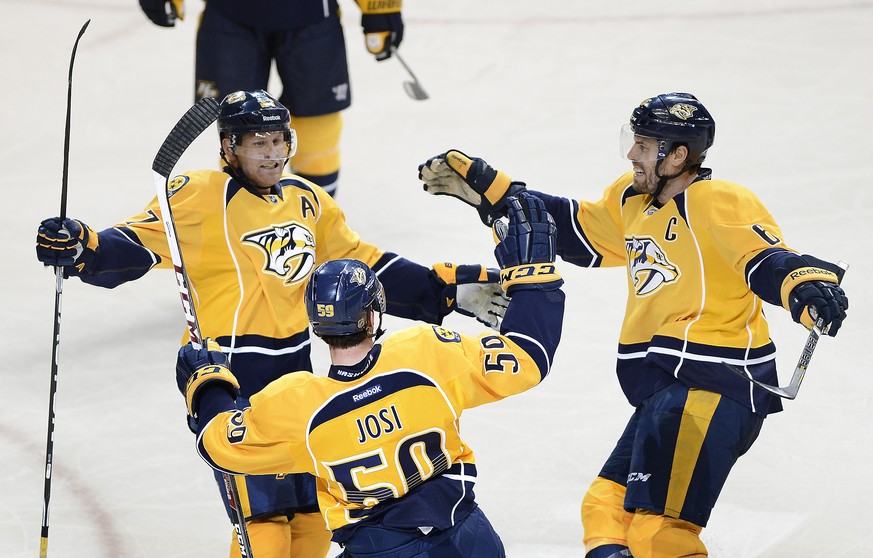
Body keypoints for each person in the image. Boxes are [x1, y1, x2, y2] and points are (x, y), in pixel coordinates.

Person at [35, 89, 507, 558]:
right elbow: (133, 245)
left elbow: (362, 263)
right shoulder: (198, 194)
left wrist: (441, 290)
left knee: (311, 522)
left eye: (279, 140)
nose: (273, 153)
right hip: (227, 377)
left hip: (298, 380)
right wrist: (84, 246)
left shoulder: (308, 200)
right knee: (262, 529)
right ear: (228, 148)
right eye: (257, 142)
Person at [416, 92, 850, 558]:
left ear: (678, 154)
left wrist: (805, 288)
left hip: (714, 383)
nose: (631, 154)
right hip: (669, 388)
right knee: (606, 512)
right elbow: (578, 231)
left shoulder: (717, 200)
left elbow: (766, 260)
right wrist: (498, 194)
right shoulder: (633, 199)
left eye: (643, 145)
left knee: (658, 534)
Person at [174, 191, 565, 556]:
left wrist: (208, 384)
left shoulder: (295, 404)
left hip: (376, 547)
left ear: (316, 324)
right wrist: (534, 281)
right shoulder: (427, 352)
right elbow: (527, 358)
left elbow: (221, 446)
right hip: (466, 538)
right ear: (374, 315)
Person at [138, 0, 404, 197]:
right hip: (229, 17)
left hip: (311, 16)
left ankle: (317, 216)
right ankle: (246, 217)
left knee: (317, 123)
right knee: (236, 122)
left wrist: (381, 7)